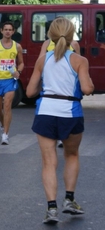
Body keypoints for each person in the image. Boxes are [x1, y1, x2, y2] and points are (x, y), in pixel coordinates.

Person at [26, 17, 94, 224]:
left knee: (48, 162)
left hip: (46, 111)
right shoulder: (79, 60)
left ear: (50, 36)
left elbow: (29, 92)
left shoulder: (42, 60)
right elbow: (87, 89)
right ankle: (70, 200)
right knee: (71, 155)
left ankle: (51, 209)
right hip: (70, 113)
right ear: (73, 35)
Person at [39, 32, 80, 148]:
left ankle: (61, 137)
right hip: (57, 86)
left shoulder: (74, 44)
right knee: (72, 155)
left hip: (66, 86)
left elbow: (78, 63)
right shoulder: (46, 43)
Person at [0, 21, 24, 145]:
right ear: (1, 31)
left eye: (10, 29)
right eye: (5, 29)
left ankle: (5, 135)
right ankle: (3, 123)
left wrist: (18, 71)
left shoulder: (17, 46)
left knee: (7, 106)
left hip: (10, 81)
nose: (8, 31)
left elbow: (21, 63)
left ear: (13, 31)